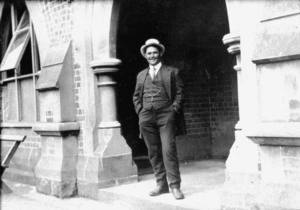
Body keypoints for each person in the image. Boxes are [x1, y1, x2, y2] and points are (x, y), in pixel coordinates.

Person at [133, 38, 186, 200]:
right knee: (153, 151)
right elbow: (136, 96)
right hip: (146, 116)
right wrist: (141, 111)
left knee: (168, 150)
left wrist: (173, 108)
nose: (152, 56)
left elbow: (180, 93)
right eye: (149, 53)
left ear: (160, 53)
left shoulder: (172, 72)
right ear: (145, 55)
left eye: (155, 52)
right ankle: (161, 184)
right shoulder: (141, 75)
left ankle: (175, 186)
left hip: (166, 115)